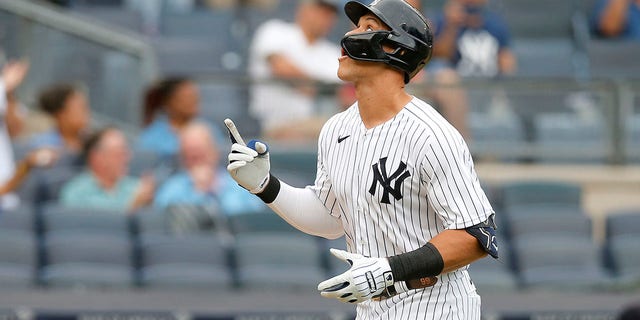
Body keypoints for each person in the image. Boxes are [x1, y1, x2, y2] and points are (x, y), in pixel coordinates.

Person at [225, 0, 497, 318]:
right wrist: (265, 186)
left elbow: (477, 236)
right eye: (356, 25)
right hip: (372, 310)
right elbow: (329, 218)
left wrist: (389, 270)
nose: (350, 35)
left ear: (398, 50)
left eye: (368, 28)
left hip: (437, 308)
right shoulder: (336, 129)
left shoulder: (431, 134)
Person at [248, 0, 342, 141]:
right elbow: (282, 70)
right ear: (303, 9)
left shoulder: (333, 53)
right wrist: (323, 88)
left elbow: (343, 93)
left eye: (330, 14)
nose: (325, 17)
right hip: (272, 126)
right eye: (320, 10)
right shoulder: (275, 31)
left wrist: (313, 87)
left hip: (319, 127)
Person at [154, 122, 265, 215]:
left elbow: (254, 218)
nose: (198, 163)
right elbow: (164, 218)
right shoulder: (172, 189)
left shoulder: (241, 185)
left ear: (214, 153)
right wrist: (199, 191)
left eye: (201, 155)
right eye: (191, 157)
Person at [61, 127, 155, 213]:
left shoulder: (137, 188)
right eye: (120, 153)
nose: (128, 158)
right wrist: (133, 207)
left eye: (127, 152)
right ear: (97, 158)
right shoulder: (76, 193)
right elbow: (88, 227)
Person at [137, 77, 202, 160]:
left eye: (195, 96)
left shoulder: (208, 131)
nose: (194, 100)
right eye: (187, 96)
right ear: (168, 102)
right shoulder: (152, 138)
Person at [30, 83, 91, 164]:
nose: (86, 112)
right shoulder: (42, 146)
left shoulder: (92, 144)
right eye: (81, 107)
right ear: (61, 114)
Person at [0, 60, 29, 209]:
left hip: (6, 202)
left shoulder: (4, 92)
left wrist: (8, 91)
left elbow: (15, 129)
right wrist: (5, 85)